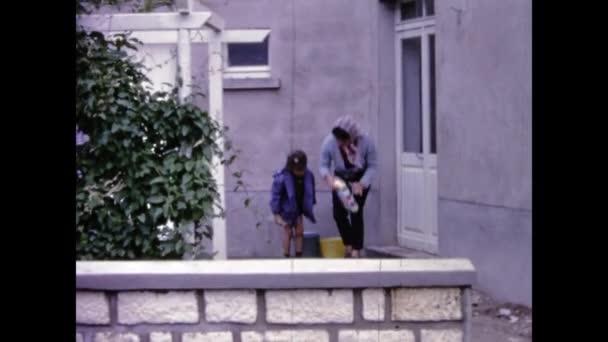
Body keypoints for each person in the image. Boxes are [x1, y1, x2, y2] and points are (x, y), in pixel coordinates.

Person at [319, 115, 377, 258]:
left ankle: (356, 250)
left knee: (355, 210)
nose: (340, 143)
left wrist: (362, 183)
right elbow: (323, 164)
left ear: (353, 135)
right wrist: (328, 177)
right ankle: (349, 244)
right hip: (340, 178)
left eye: (344, 140)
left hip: (359, 178)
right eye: (338, 140)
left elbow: (373, 166)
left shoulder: (366, 142)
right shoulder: (329, 142)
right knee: (338, 214)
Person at [270, 150, 317, 257]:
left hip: (298, 209)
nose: (300, 172)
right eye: (297, 170)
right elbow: (275, 195)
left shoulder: (308, 176)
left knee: (300, 231)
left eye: (302, 169)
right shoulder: (282, 177)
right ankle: (285, 255)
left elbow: (311, 191)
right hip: (285, 211)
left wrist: (311, 203)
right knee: (288, 232)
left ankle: (299, 254)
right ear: (291, 168)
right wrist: (276, 213)